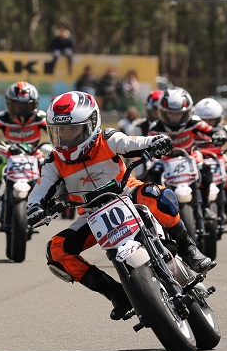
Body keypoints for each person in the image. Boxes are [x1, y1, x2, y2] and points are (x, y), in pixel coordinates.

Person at [24, 91, 214, 321]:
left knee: (158, 195)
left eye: (73, 129)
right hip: (92, 215)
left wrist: (155, 142)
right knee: (56, 251)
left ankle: (187, 248)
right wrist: (34, 208)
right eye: (59, 131)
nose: (66, 136)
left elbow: (133, 143)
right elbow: (40, 189)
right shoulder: (54, 161)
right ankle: (116, 294)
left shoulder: (108, 139)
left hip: (127, 193)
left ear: (92, 124)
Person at [0, 81, 48, 220]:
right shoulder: (3, 117)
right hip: (8, 152)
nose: (22, 109)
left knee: (49, 167)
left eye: (27, 105)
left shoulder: (41, 117)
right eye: (18, 105)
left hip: (34, 153)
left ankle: (47, 203)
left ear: (35, 105)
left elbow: (54, 129)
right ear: (9, 104)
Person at [149, 87, 218, 233]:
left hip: (190, 157)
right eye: (171, 114)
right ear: (163, 112)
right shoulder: (155, 127)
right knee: (150, 177)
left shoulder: (195, 122)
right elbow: (148, 145)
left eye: (179, 114)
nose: (175, 118)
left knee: (206, 170)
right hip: (165, 160)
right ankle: (155, 216)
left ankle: (205, 206)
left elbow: (212, 130)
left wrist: (219, 134)